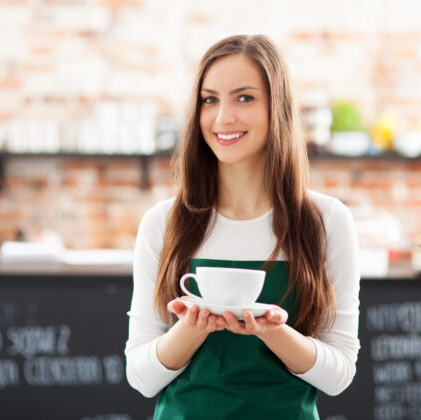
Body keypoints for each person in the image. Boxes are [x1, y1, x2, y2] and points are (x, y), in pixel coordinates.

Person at [125, 34, 360, 419]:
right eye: (210, 100)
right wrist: (193, 328)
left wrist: (272, 331)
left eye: (245, 97)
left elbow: (339, 376)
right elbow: (141, 377)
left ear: (277, 108)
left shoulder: (326, 221)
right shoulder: (164, 223)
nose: (223, 118)